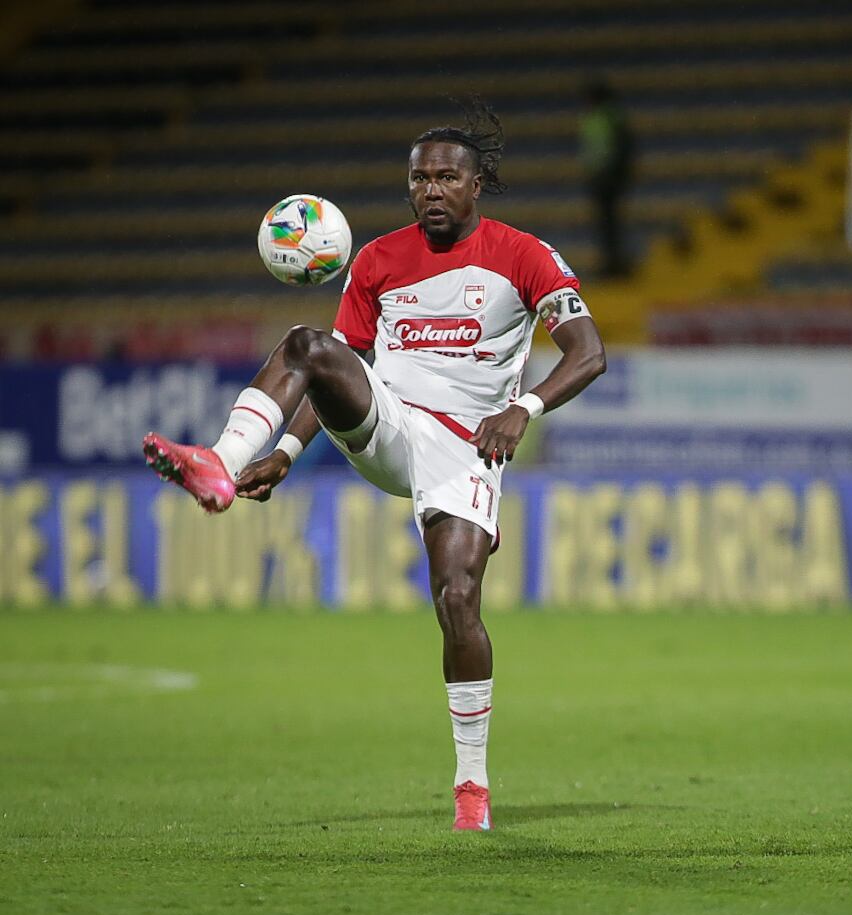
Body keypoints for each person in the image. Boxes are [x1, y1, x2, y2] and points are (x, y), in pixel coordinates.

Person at [141, 99, 607, 832]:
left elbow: (589, 352)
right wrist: (287, 452)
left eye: (446, 178)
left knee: (457, 599)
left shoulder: (525, 255)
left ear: (476, 185)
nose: (430, 191)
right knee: (305, 343)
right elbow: (341, 368)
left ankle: (471, 787)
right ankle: (222, 464)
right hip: (388, 425)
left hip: (469, 443)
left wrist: (526, 409)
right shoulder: (377, 261)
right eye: (419, 179)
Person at [579, 78, 635, 278]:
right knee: (607, 223)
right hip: (602, 177)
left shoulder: (607, 117)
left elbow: (619, 149)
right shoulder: (604, 116)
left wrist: (614, 175)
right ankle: (612, 263)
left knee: (609, 223)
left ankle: (615, 265)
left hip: (607, 178)